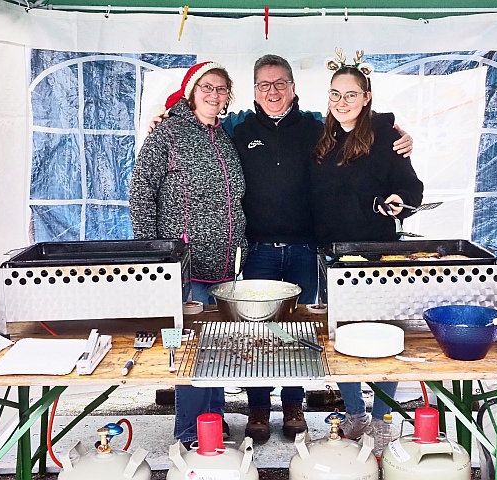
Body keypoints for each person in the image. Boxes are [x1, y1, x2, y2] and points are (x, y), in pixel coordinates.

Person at [149, 54, 414, 443]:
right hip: (258, 251)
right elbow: (201, 120)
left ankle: (293, 405)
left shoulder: (316, 128)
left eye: (279, 83)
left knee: (299, 336)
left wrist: (394, 130)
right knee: (257, 334)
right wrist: (166, 117)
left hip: (306, 249)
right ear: (254, 90)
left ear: (293, 87)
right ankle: (258, 406)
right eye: (263, 85)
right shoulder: (237, 128)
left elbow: (357, 125)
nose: (272, 92)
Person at [310, 50, 424, 457]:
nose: (342, 102)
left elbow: (412, 190)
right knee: (340, 333)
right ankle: (355, 413)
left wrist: (399, 201)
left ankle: (382, 416)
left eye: (351, 94)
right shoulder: (320, 137)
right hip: (332, 255)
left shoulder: (387, 137)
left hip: (378, 252)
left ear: (367, 96)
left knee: (385, 334)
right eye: (335, 94)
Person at [129, 61, 247, 447]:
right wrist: (151, 252)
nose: (214, 94)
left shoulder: (224, 134)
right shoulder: (168, 132)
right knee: (193, 350)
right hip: (185, 264)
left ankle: (214, 420)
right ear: (191, 91)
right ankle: (189, 432)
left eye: (221, 89)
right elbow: (141, 189)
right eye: (206, 87)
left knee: (217, 348)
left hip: (225, 262)